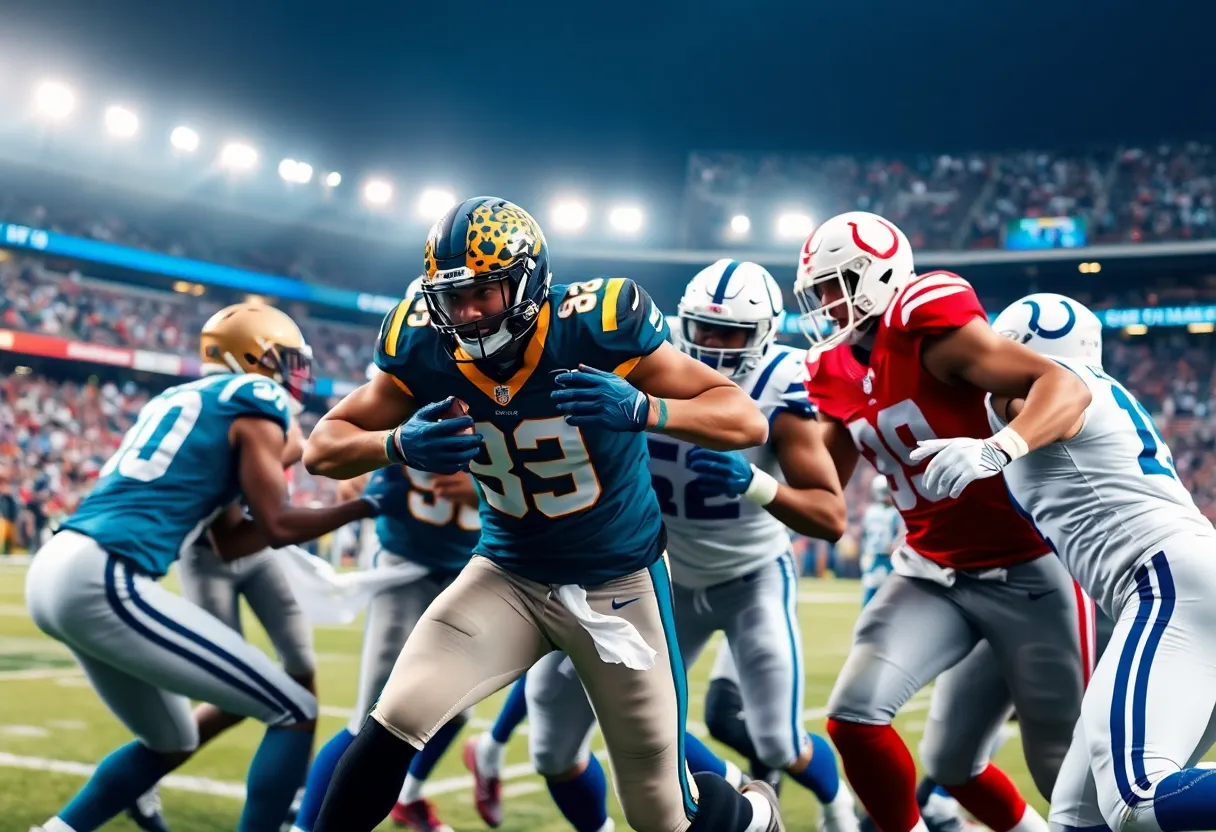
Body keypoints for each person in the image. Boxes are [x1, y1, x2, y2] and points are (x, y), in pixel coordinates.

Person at [302, 196, 783, 832]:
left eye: (485, 292)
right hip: (506, 574)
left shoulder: (596, 326)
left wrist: (645, 408)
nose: (467, 313)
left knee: (662, 816)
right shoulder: (423, 344)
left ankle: (753, 815)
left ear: (527, 282)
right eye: (452, 297)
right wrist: (396, 444)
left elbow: (743, 417)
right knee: (393, 724)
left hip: (618, 583)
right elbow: (323, 449)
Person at [25, 303, 381, 832]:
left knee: (171, 739)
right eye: (286, 360)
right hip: (103, 574)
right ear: (256, 358)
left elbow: (234, 540)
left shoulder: (177, 397)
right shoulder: (256, 394)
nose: (294, 375)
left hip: (58, 568)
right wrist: (364, 506)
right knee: (295, 709)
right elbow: (279, 524)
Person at [798, 211, 1093, 832]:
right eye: (819, 291)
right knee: (856, 718)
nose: (827, 304)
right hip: (931, 571)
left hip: (1032, 571)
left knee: (1061, 766)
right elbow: (823, 483)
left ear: (880, 275)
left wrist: (999, 448)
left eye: (837, 285)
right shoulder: (833, 372)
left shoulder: (927, 327)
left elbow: (1063, 387)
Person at [937, 292, 1216, 832]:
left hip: (1166, 584)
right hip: (1184, 580)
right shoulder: (1097, 392)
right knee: (1077, 819)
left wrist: (998, 447)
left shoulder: (1057, 389)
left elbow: (1056, 391)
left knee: (1137, 801)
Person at [290, 450, 481, 832]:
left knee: (456, 710)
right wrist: (355, 462)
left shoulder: (507, 402)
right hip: (405, 563)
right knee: (370, 717)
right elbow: (336, 441)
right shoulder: (405, 393)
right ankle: (305, 827)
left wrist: (483, 485)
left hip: (472, 570)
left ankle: (407, 796)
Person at [858, 477, 902, 607]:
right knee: (873, 589)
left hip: (885, 556)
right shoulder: (893, 512)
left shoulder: (871, 511)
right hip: (879, 555)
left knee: (889, 591)